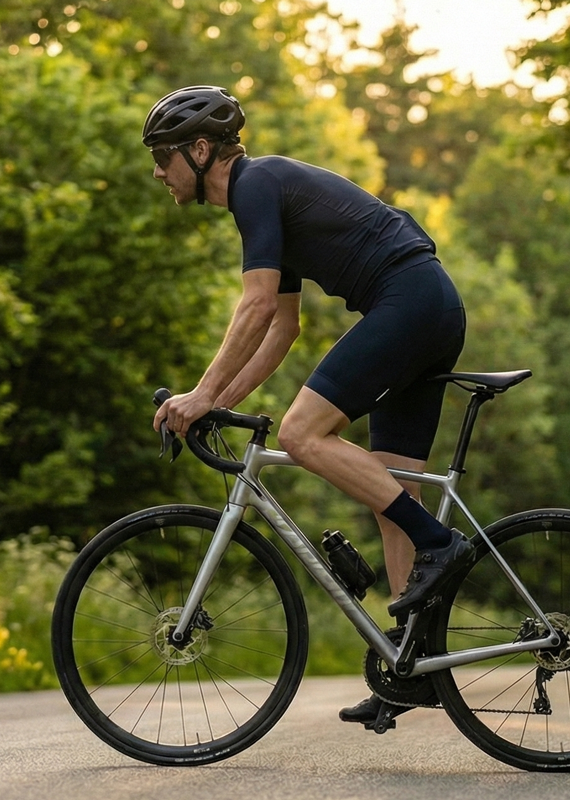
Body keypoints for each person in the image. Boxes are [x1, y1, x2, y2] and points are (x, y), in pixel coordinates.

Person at [145, 85, 472, 726]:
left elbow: (257, 304)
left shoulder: (255, 184)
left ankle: (441, 542)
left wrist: (202, 394)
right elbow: (282, 327)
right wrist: (217, 403)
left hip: (408, 300)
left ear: (200, 150)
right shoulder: (264, 196)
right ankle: (413, 665)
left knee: (300, 434)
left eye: (163, 157)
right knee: (392, 490)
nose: (158, 172)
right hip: (428, 304)